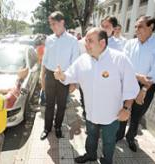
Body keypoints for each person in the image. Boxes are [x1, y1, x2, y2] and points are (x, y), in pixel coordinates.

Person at [54, 27, 139, 164]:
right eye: (86, 41)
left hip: (111, 115)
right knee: (91, 136)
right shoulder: (83, 60)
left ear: (102, 43)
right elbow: (69, 75)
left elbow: (131, 87)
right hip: (91, 112)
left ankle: (106, 160)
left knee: (109, 141)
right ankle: (91, 154)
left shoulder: (119, 59)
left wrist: (127, 109)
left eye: (90, 41)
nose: (86, 44)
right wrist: (61, 75)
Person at [116, 16, 155, 152]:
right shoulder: (130, 43)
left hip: (146, 88)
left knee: (136, 116)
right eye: (135, 27)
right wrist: (138, 76)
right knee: (124, 110)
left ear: (151, 27)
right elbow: (122, 66)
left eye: (140, 26)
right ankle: (119, 134)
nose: (136, 29)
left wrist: (144, 90)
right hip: (127, 83)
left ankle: (130, 138)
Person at [40, 11, 80, 140]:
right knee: (49, 104)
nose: (52, 27)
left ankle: (57, 127)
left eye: (54, 24)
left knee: (62, 105)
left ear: (62, 22)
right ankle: (47, 128)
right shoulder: (49, 39)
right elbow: (45, 60)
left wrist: (73, 82)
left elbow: (75, 62)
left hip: (64, 76)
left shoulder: (73, 40)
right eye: (50, 24)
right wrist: (42, 76)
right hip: (50, 76)